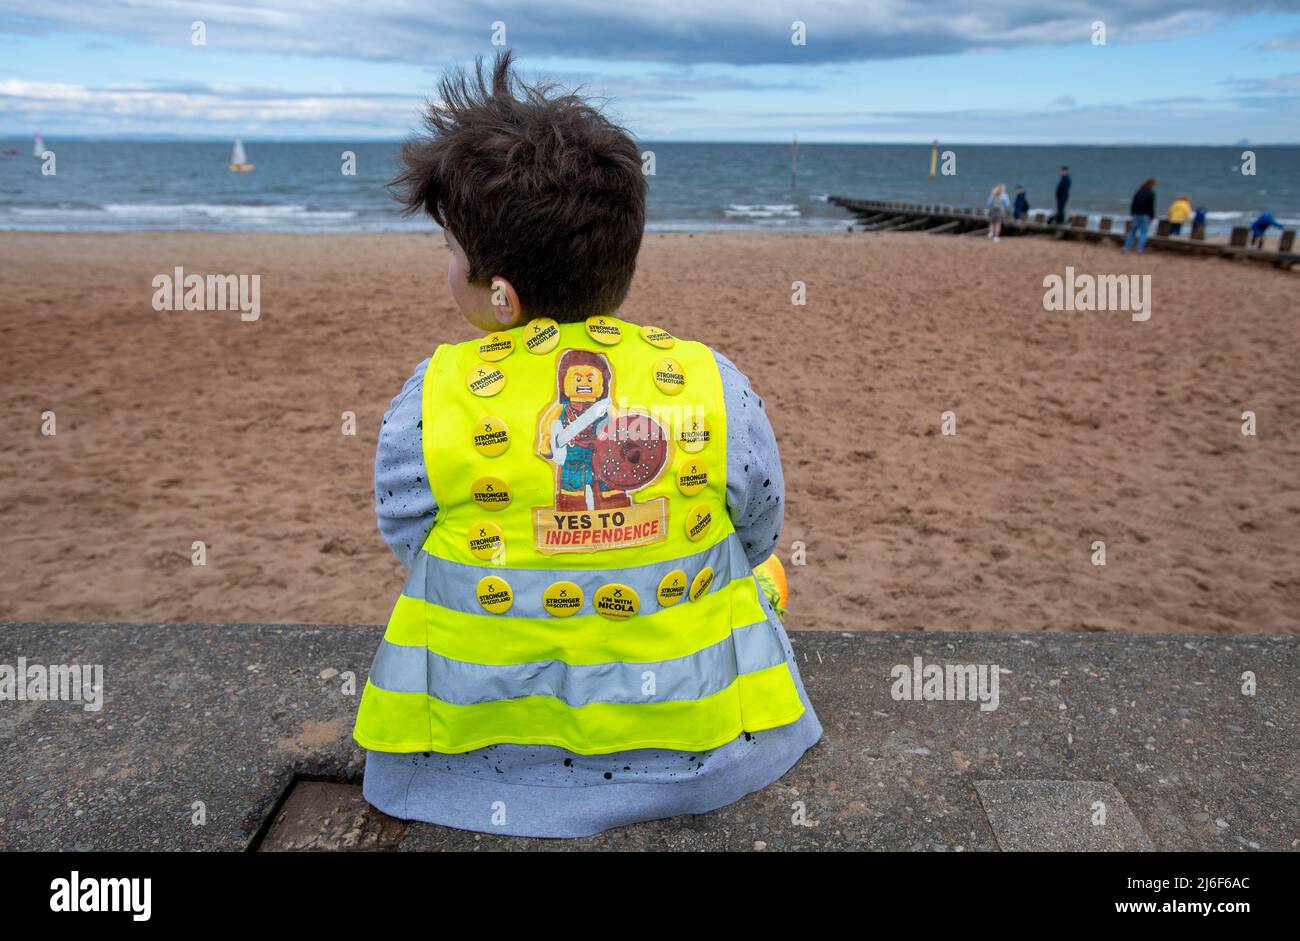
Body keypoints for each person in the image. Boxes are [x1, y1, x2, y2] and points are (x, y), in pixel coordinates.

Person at [351, 51, 821, 839]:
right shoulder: (711, 380)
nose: (447, 266)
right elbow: (758, 522)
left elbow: (412, 539)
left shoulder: (430, 397)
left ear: (498, 292)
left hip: (466, 764)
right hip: (709, 755)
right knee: (757, 567)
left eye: (450, 249)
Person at [1122, 178, 1157, 254]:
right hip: (1145, 215)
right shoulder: (1151, 193)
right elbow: (1150, 206)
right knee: (1143, 232)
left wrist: (1133, 213)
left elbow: (1133, 204)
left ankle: (1126, 248)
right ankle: (1139, 249)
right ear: (1152, 185)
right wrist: (1152, 216)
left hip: (1136, 214)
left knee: (1132, 231)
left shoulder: (1138, 192)